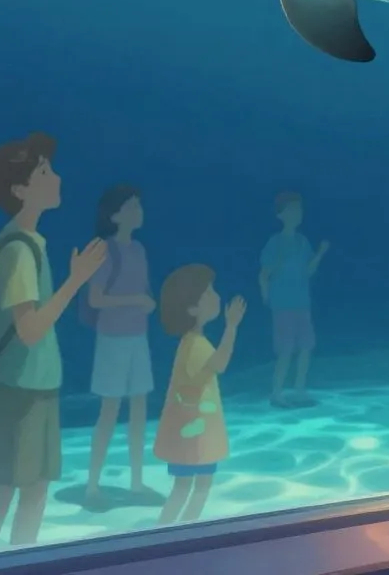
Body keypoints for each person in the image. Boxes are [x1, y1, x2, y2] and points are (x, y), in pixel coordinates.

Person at [0, 133, 107, 553]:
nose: (57, 178)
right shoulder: (18, 251)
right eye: (45, 172)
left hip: (35, 386)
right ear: (20, 190)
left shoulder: (33, 243)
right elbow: (29, 329)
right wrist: (76, 280)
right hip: (17, 390)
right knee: (3, 494)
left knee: (33, 491)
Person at [84, 185, 160, 511]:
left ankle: (136, 480)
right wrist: (136, 301)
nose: (138, 211)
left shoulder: (139, 249)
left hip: (137, 337)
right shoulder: (105, 250)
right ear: (114, 215)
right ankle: (92, 484)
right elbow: (95, 298)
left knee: (139, 410)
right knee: (110, 410)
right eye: (131, 206)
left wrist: (147, 303)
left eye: (138, 205)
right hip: (113, 340)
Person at [154, 264, 246, 526]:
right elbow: (220, 364)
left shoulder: (191, 342)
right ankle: (171, 533)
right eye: (208, 293)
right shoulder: (195, 344)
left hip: (192, 431)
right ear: (192, 308)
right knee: (190, 488)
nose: (216, 296)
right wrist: (231, 327)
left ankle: (174, 532)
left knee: (189, 487)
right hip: (193, 434)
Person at [258, 192, 328, 408]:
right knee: (285, 350)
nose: (297, 214)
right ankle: (277, 393)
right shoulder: (275, 242)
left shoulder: (302, 241)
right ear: (280, 215)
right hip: (283, 304)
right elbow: (264, 274)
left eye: (299, 210)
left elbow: (308, 271)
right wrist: (266, 296)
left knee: (306, 346)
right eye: (292, 210)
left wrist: (319, 254)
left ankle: (299, 390)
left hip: (301, 303)